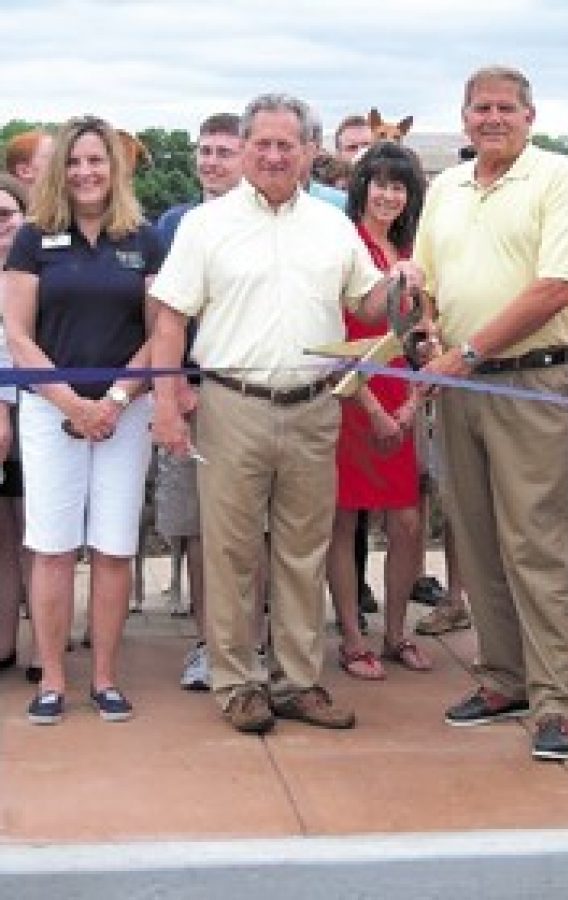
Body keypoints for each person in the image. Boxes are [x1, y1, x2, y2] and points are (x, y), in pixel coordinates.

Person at [150, 93, 414, 736]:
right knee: (235, 553)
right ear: (243, 149)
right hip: (231, 405)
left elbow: (370, 304)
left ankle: (298, 681)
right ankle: (237, 682)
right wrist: (166, 403)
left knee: (304, 551)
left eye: (285, 145)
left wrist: (402, 286)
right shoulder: (205, 225)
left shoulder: (332, 226)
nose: (273, 155)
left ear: (308, 153)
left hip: (313, 408)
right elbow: (171, 318)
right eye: (261, 144)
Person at [414, 65, 568, 761]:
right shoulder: (446, 187)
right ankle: (503, 679)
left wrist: (464, 350)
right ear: (464, 118)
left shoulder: (560, 177)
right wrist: (433, 334)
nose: (492, 118)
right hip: (460, 385)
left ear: (530, 115)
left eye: (505, 108)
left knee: (536, 544)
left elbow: (557, 286)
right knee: (477, 536)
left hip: (530, 384)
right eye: (480, 108)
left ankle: (554, 701)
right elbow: (427, 279)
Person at [4, 116, 164, 725]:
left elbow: (159, 334)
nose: (85, 172)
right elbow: (18, 334)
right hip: (50, 413)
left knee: (114, 548)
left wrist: (117, 400)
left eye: (96, 160)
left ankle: (104, 677)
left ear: (114, 167)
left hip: (126, 412)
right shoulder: (33, 238)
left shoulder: (145, 239)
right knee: (51, 548)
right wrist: (71, 403)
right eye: (73, 162)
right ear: (58, 170)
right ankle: (51, 679)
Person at [327, 141, 430, 679]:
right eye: (380, 182)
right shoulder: (344, 246)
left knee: (409, 522)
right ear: (361, 186)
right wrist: (372, 408)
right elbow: (334, 337)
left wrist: (413, 402)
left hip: (402, 398)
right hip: (350, 396)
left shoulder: (413, 250)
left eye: (399, 185)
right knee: (343, 520)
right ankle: (351, 636)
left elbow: (425, 336)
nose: (388, 194)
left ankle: (396, 632)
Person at [155, 113, 243, 692]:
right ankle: (207, 643)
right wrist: (171, 387)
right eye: (203, 151)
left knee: (246, 532)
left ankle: (247, 641)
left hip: (249, 396)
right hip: (190, 392)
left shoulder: (264, 226)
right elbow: (165, 314)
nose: (210, 161)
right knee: (194, 527)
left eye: (222, 152)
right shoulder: (172, 223)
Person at [0, 173, 28, 672]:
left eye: (6, 215)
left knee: (36, 533)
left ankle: (49, 649)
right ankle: (3, 643)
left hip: (40, 411)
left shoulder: (39, 267)